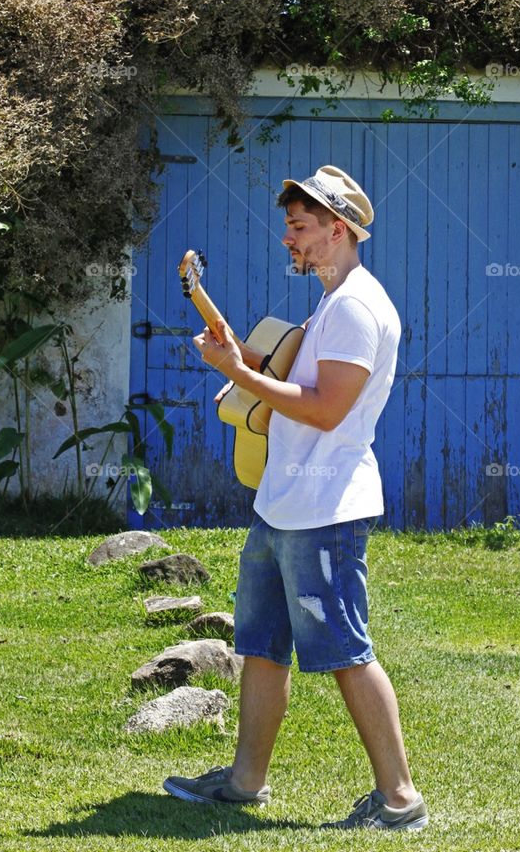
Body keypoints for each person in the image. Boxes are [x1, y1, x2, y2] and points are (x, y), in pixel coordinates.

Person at [163, 164, 428, 832]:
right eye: (288, 225)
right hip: (282, 506)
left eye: (300, 226)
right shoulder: (331, 303)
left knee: (344, 651)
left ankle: (399, 801)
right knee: (260, 644)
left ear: (337, 229)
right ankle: (244, 781)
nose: (288, 238)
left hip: (325, 513)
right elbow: (286, 378)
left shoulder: (357, 308)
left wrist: (235, 371)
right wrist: (240, 358)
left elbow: (326, 410)